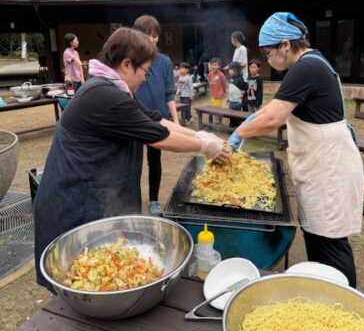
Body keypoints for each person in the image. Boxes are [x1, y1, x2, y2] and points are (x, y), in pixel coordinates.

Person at [34, 27, 229, 292]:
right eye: (145, 72)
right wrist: (205, 146)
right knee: (82, 280)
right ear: (127, 65)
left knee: (105, 275)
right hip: (75, 202)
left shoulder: (114, 88)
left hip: (93, 199)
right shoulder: (103, 95)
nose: (146, 79)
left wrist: (201, 134)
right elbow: (159, 136)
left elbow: (156, 120)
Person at [228, 12, 364, 288]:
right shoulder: (311, 64)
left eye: (268, 53)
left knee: (330, 245)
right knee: (317, 239)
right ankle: (326, 296)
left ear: (286, 45)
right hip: (322, 166)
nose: (268, 60)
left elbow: (273, 118)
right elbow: (271, 109)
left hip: (330, 171)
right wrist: (247, 122)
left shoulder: (306, 68)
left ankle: (347, 301)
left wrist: (237, 134)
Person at [133, 15, 180, 214]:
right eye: (146, 35)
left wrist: (175, 121)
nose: (151, 39)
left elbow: (169, 92)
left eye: (154, 35)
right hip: (132, 119)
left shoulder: (164, 62)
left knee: (155, 160)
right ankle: (131, 200)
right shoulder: (130, 62)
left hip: (157, 119)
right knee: (132, 162)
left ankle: (153, 199)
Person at [227, 61, 247, 128]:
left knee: (236, 115)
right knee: (231, 114)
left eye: (231, 69)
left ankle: (236, 127)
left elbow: (244, 89)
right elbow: (231, 89)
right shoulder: (232, 78)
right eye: (229, 69)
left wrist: (241, 98)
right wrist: (228, 98)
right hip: (231, 101)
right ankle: (231, 126)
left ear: (236, 70)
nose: (229, 71)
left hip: (236, 101)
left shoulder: (240, 79)